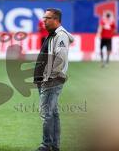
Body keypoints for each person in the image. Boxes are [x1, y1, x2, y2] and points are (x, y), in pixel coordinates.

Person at [34, 8, 74, 151]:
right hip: (48, 79)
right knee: (53, 114)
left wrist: (49, 77)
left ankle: (46, 144)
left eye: (47, 18)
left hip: (51, 80)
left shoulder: (60, 35)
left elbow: (60, 58)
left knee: (46, 113)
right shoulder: (52, 35)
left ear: (56, 20)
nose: (44, 20)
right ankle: (54, 145)